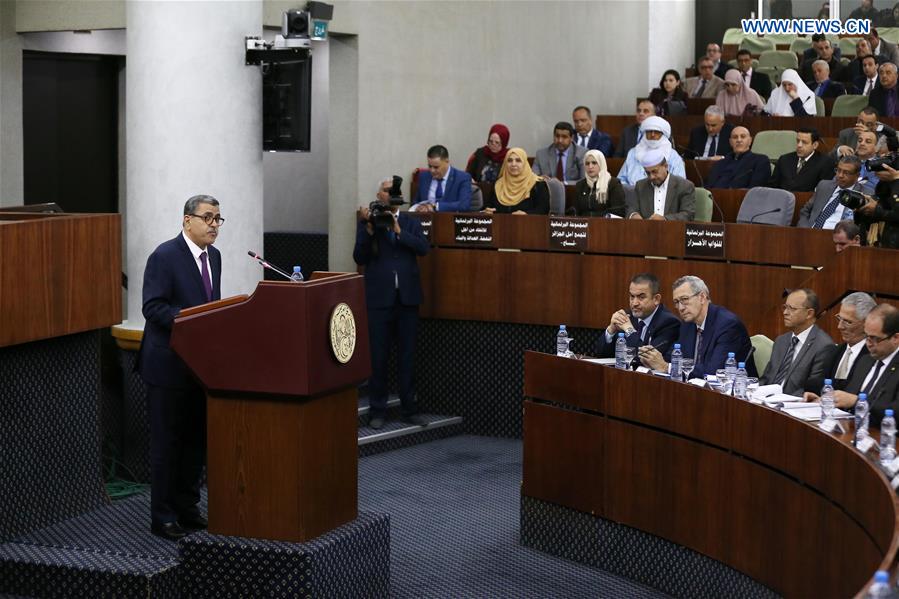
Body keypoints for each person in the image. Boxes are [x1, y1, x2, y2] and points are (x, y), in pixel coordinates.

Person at [139, 194, 223, 541]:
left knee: (194, 444)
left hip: (199, 368)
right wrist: (192, 320)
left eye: (218, 218)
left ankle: (188, 508)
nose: (214, 225)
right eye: (207, 218)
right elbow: (153, 307)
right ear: (187, 220)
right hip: (167, 366)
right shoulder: (164, 256)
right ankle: (164, 516)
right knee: (167, 445)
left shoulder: (214, 257)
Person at [354, 178, 430, 430]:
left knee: (408, 356)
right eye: (384, 191)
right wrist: (368, 230)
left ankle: (410, 409)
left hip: (407, 299)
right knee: (378, 357)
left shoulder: (410, 221)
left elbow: (423, 248)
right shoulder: (368, 222)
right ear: (379, 195)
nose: (388, 195)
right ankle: (378, 410)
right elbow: (359, 256)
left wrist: (399, 231)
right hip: (378, 299)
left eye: (391, 191)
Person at [638, 275, 757, 379]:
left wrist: (666, 367)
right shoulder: (688, 324)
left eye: (684, 300)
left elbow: (714, 372)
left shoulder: (728, 325)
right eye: (676, 302)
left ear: (702, 297)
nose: (680, 308)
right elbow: (673, 357)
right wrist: (653, 359)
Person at [807, 304, 899, 427]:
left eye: (874, 338)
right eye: (867, 336)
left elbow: (895, 412)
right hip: (851, 431)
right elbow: (847, 398)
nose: (869, 343)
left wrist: (857, 402)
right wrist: (824, 400)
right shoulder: (865, 361)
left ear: (896, 338)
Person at [759, 289, 834, 396]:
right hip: (766, 402)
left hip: (792, 406)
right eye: (785, 307)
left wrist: (780, 400)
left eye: (792, 309)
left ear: (809, 313)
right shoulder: (781, 341)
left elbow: (812, 391)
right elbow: (766, 379)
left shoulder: (823, 346)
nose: (785, 313)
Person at [595, 273, 680, 361]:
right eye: (632, 296)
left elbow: (646, 359)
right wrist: (611, 331)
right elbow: (601, 355)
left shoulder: (669, 323)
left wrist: (629, 330)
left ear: (656, 299)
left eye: (641, 297)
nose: (634, 303)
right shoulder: (627, 316)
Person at [806, 292, 875, 393]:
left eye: (848, 322)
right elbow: (814, 384)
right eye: (839, 318)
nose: (840, 326)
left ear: (867, 323)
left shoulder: (873, 355)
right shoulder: (834, 352)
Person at [798, 156, 874, 228]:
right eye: (838, 170)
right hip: (811, 233)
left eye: (846, 173)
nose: (840, 175)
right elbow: (805, 211)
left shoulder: (865, 194)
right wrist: (805, 230)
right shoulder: (824, 186)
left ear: (857, 176)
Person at [627, 150, 695, 221]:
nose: (651, 177)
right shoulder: (640, 186)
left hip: (673, 230)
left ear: (666, 166)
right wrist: (633, 214)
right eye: (648, 173)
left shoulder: (684, 186)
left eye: (654, 172)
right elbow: (631, 208)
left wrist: (665, 219)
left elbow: (688, 214)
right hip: (645, 230)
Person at [617, 116, 685, 186]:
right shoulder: (633, 153)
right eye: (649, 131)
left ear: (663, 134)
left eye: (656, 132)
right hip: (634, 193)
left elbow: (680, 183)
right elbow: (621, 179)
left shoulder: (673, 155)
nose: (652, 135)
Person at [484, 147, 550, 215]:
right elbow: (489, 207)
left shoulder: (538, 184)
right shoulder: (498, 184)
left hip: (527, 224)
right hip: (500, 224)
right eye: (509, 160)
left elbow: (543, 210)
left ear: (524, 163)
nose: (513, 164)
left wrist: (526, 214)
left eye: (518, 160)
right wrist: (489, 210)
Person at [769, 128, 835, 192]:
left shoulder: (825, 162)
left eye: (804, 142)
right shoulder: (784, 159)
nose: (799, 145)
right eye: (798, 141)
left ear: (815, 145)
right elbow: (772, 186)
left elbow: (824, 191)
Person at [411, 145, 472, 212]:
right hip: (426, 220)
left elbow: (464, 205)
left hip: (449, 220)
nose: (432, 170)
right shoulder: (424, 176)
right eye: (430, 166)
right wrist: (419, 207)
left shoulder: (462, 178)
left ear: (447, 161)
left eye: (436, 167)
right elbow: (416, 201)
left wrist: (436, 207)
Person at [854, 157, 899, 247]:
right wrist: (864, 209)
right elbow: (883, 196)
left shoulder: (896, 182)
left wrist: (896, 179)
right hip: (878, 241)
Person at [706, 126, 770, 189]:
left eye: (743, 136)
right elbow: (708, 186)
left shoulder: (760, 161)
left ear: (750, 141)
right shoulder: (720, 163)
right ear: (730, 142)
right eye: (735, 137)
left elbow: (755, 190)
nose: (739, 140)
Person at [573, 149, 626, 217]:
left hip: (605, 224)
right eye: (587, 163)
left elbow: (619, 211)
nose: (590, 167)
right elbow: (576, 212)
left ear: (601, 163)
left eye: (594, 163)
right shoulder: (580, 185)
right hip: (584, 225)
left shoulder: (613, 184)